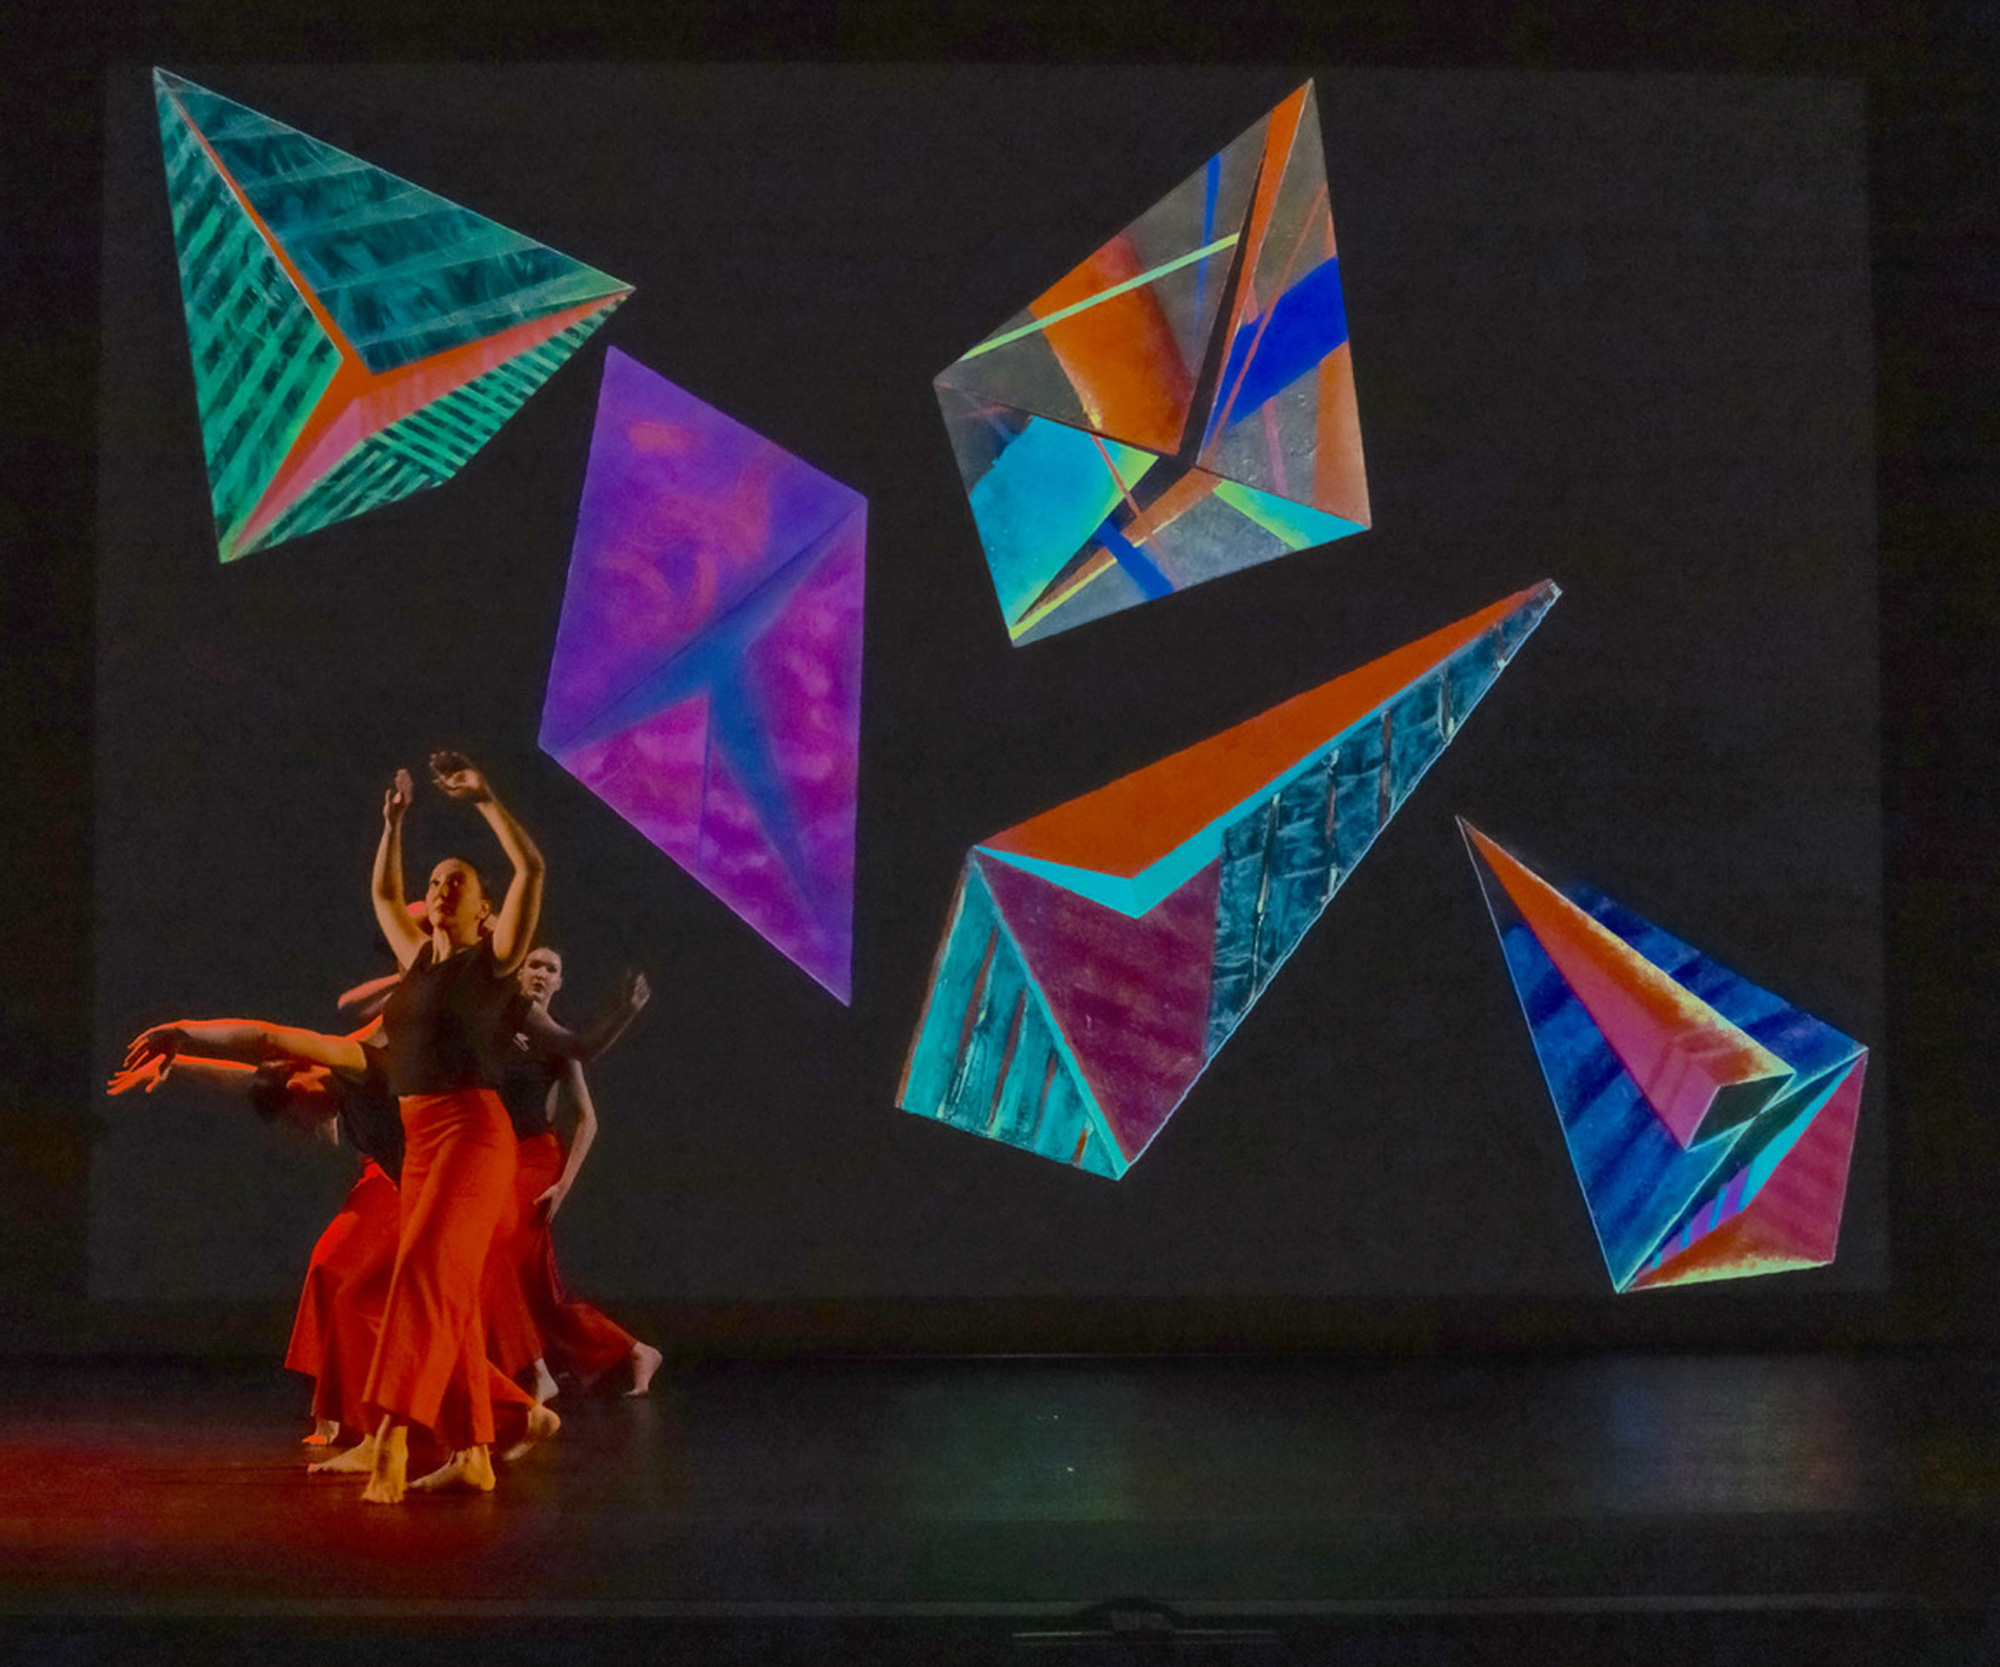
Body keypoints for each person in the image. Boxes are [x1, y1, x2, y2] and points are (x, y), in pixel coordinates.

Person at [488, 948, 661, 1402]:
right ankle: (635, 1350)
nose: (542, 973)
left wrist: (564, 1184)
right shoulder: (497, 1025)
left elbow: (587, 1118)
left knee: (495, 1255)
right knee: (536, 1284)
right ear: (519, 973)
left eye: (552, 969)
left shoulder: (558, 1041)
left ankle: (535, 1371)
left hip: (535, 1159)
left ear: (559, 982)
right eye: (534, 965)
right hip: (494, 1159)